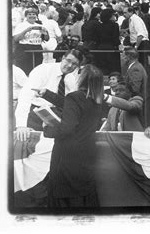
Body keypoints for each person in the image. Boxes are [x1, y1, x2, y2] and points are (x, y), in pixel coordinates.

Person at [39, 64, 104, 207]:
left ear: (81, 78)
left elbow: (66, 129)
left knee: (65, 195)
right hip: (88, 151)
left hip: (68, 154)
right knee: (84, 192)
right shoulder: (97, 100)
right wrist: (47, 93)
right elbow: (72, 104)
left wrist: (47, 130)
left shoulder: (74, 97)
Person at [14, 49, 84, 141]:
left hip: (57, 118)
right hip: (36, 114)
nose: (70, 66)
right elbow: (25, 96)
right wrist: (21, 125)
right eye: (68, 61)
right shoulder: (43, 70)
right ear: (63, 58)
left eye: (74, 64)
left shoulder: (71, 78)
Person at [13, 7, 50, 75]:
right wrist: (26, 30)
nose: (32, 16)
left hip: (37, 49)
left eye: (34, 14)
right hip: (24, 49)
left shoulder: (40, 25)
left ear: (36, 16)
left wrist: (45, 33)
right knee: (24, 71)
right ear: (26, 16)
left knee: (36, 70)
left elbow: (47, 39)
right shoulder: (21, 25)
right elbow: (15, 39)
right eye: (29, 14)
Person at [96, 8, 121, 75]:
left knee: (103, 69)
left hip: (100, 49)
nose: (114, 16)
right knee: (113, 70)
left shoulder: (99, 26)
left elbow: (97, 39)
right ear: (109, 16)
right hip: (111, 49)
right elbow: (115, 39)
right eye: (113, 15)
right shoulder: (115, 25)